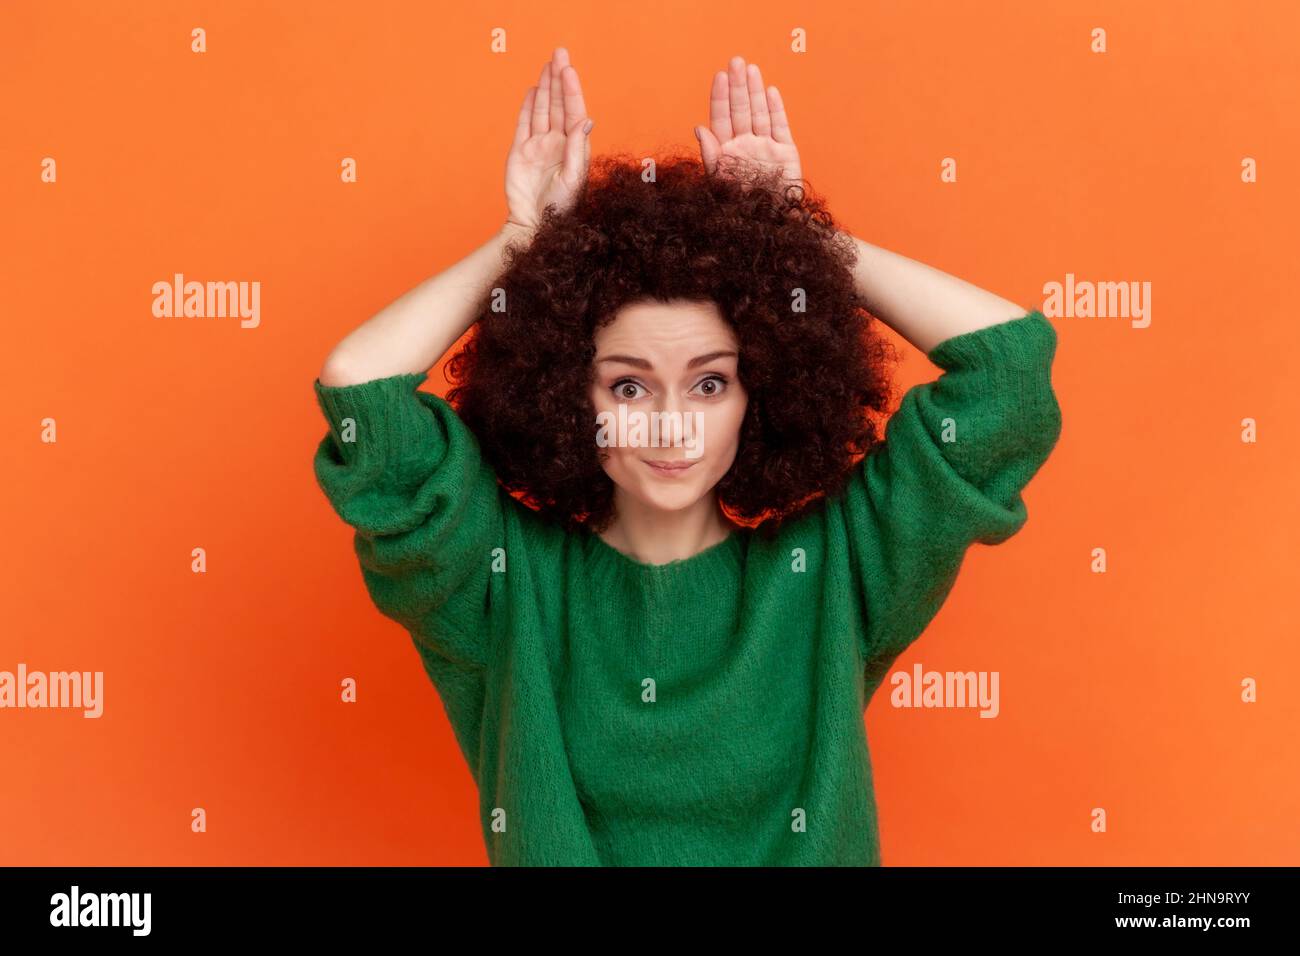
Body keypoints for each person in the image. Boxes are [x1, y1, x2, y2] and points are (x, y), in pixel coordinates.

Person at [312, 48, 1062, 865]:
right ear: (569, 396)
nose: (672, 428)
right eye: (629, 389)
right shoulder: (499, 579)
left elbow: (1008, 377)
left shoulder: (836, 569)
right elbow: (362, 391)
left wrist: (797, 238)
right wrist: (521, 243)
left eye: (709, 386)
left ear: (762, 393)